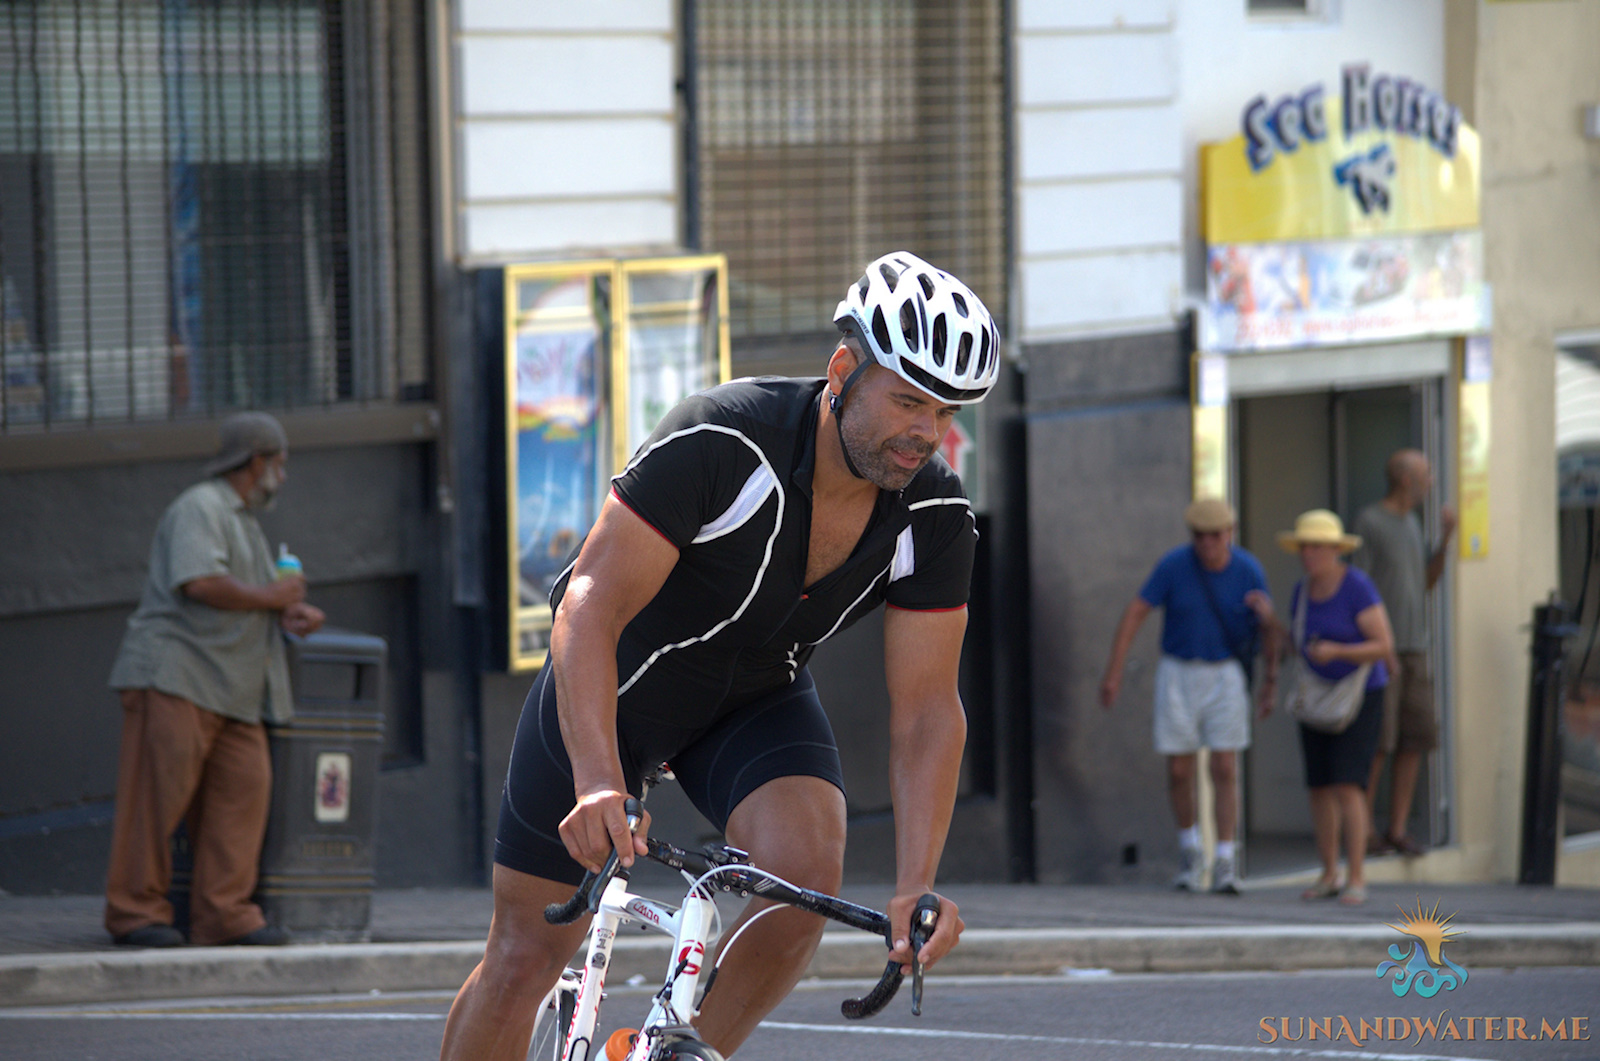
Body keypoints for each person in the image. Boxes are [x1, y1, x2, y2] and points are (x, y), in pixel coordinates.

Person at [440, 251, 998, 1060]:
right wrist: (598, 778)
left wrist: (916, 882)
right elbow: (587, 607)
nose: (925, 430)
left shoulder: (936, 515)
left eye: (944, 411)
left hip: (753, 697)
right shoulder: (726, 438)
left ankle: (681, 1051)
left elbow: (925, 710)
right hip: (615, 690)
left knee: (802, 878)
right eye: (907, 399)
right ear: (844, 369)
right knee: (526, 953)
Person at [104, 412, 325, 947]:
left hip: (238, 686)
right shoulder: (200, 506)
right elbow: (199, 582)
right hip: (179, 674)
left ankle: (224, 914)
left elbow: (235, 596)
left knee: (244, 793)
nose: (283, 475)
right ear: (256, 462)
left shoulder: (244, 519)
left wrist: (284, 616)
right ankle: (135, 912)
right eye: (280, 463)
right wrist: (273, 597)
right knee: (157, 799)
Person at [1099, 497, 1279, 895]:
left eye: (1215, 536)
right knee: (1179, 768)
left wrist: (1269, 675)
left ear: (1228, 534)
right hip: (1178, 669)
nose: (1208, 544)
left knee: (1224, 766)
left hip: (1225, 672)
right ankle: (1190, 849)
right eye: (1200, 536)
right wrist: (1114, 671)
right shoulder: (1174, 565)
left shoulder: (1248, 569)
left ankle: (1226, 859)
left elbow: (1270, 635)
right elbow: (1136, 611)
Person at [1277, 510, 1393, 907]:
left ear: (1336, 550)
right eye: (1304, 546)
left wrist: (1338, 651)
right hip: (1317, 696)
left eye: (1317, 547)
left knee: (1349, 784)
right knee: (1320, 786)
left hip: (1359, 695)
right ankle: (1329, 872)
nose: (1309, 554)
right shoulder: (1301, 591)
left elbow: (1383, 645)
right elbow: (1296, 642)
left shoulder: (1358, 587)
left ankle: (1356, 876)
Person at [1352, 449, 1454, 857]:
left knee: (1415, 739)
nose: (1431, 481)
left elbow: (1427, 582)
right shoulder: (1370, 522)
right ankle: (1362, 833)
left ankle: (1395, 829)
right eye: (1427, 474)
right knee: (1379, 743)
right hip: (1384, 652)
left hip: (1416, 648)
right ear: (1405, 480)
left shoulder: (1413, 523)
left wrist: (1445, 540)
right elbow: (1359, 588)